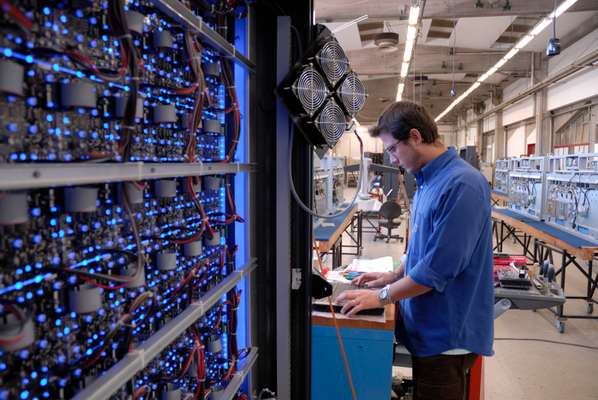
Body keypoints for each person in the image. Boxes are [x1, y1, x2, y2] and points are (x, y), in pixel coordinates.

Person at [337, 101, 494, 400]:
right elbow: (423, 247)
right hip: (427, 325)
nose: (393, 159)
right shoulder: (427, 180)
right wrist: (391, 277)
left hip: (447, 334)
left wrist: (381, 296)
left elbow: (437, 269)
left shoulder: (463, 185)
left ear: (415, 137)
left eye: (394, 149)